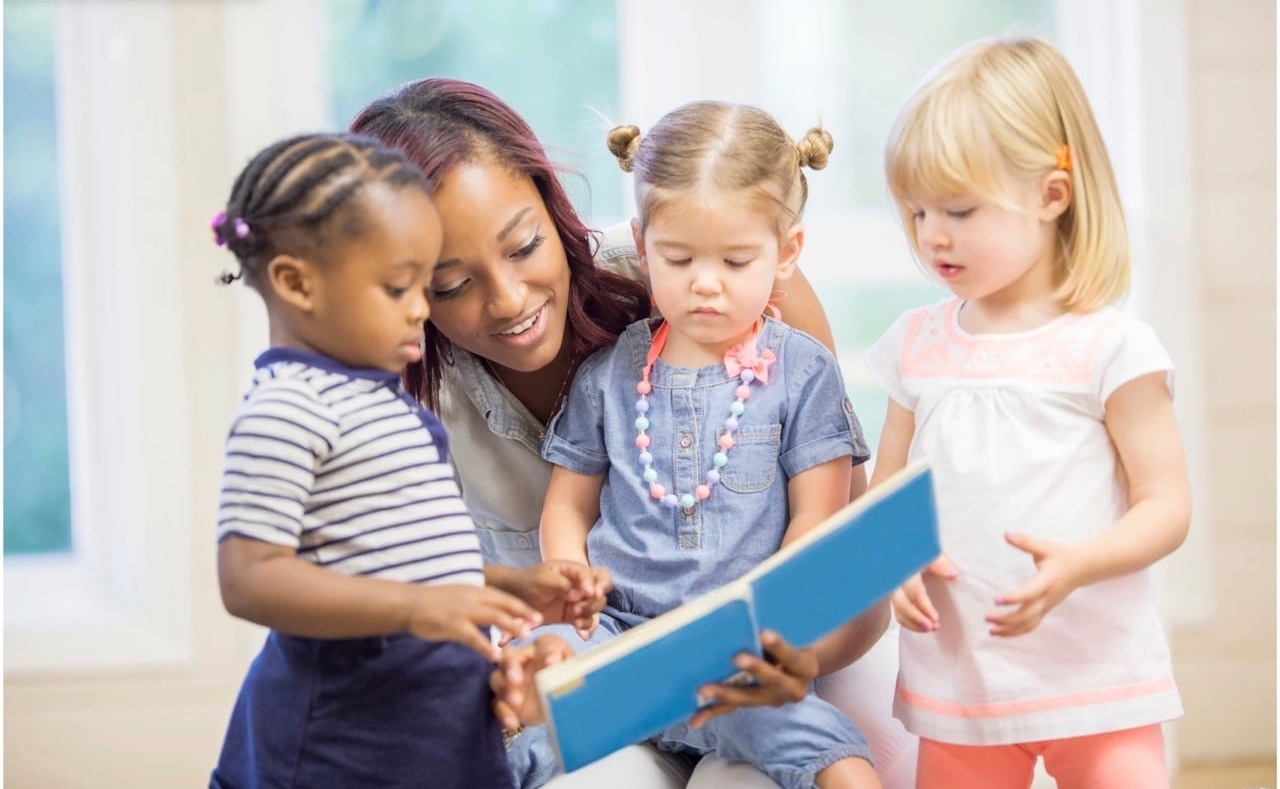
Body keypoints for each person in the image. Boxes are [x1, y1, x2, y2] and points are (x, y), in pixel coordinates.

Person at [350, 78, 913, 789]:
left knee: (797, 763)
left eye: (524, 246)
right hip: (614, 648)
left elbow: (842, 555)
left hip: (762, 655)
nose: (509, 300)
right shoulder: (497, 397)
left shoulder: (761, 321)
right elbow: (546, 538)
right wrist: (551, 633)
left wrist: (776, 642)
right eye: (452, 285)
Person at [207, 132, 599, 789]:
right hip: (335, 750)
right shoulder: (287, 408)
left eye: (426, 284)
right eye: (400, 287)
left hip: (437, 741)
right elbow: (248, 578)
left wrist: (510, 585)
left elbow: (410, 562)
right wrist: (417, 609)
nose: (422, 309)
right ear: (295, 282)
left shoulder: (388, 403)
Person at [522, 100, 883, 789]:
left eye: (737, 259)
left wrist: (783, 624)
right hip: (618, 639)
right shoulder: (608, 373)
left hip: (733, 652)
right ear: (641, 240)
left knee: (836, 759)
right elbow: (567, 506)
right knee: (521, 706)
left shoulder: (803, 372)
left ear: (788, 253)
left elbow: (819, 516)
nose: (705, 282)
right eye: (678, 257)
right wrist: (572, 587)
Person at [866, 37, 1190, 789]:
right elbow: (885, 494)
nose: (931, 235)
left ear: (1051, 195)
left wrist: (1081, 563)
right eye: (916, 211)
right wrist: (893, 558)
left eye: (958, 208)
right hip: (961, 684)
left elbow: (1167, 505)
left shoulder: (1110, 347)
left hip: (1099, 677)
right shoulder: (916, 345)